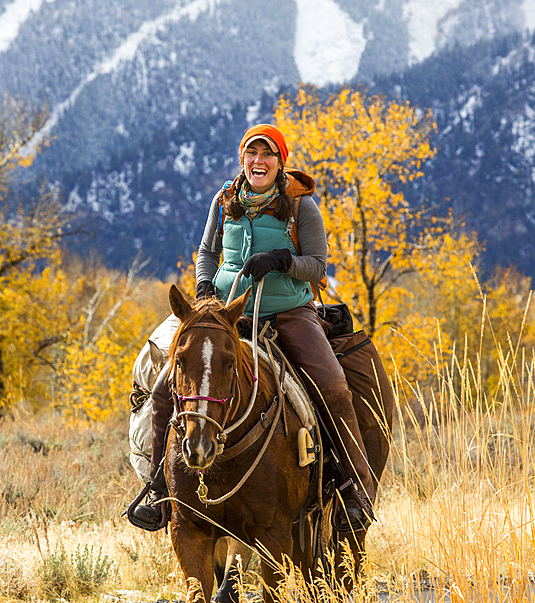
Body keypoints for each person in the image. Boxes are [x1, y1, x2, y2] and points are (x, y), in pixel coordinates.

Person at [128, 124, 375, 533]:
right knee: (161, 389)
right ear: (242, 159)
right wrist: (205, 286)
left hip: (288, 313)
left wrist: (282, 261)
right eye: (252, 154)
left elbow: (317, 265)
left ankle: (354, 489)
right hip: (225, 314)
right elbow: (207, 251)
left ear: (281, 162)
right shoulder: (225, 200)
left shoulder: (300, 206)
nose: (258, 161)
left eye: (268, 155)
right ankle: (158, 489)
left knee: (332, 387)